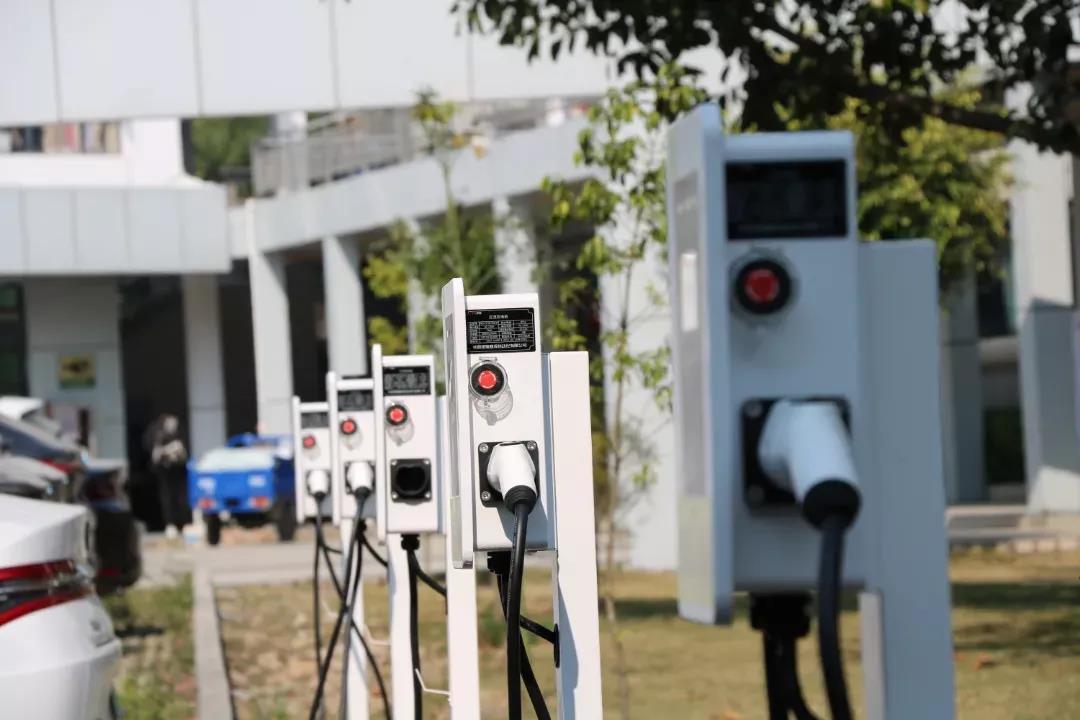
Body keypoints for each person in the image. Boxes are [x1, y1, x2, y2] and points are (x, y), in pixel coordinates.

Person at [144, 414, 189, 539]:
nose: (173, 426)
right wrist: (168, 450)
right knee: (167, 498)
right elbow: (155, 455)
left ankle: (183, 524)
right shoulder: (158, 436)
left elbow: (184, 454)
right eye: (170, 423)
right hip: (165, 472)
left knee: (181, 498)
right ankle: (170, 524)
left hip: (179, 472)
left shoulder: (180, 436)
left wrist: (178, 451)